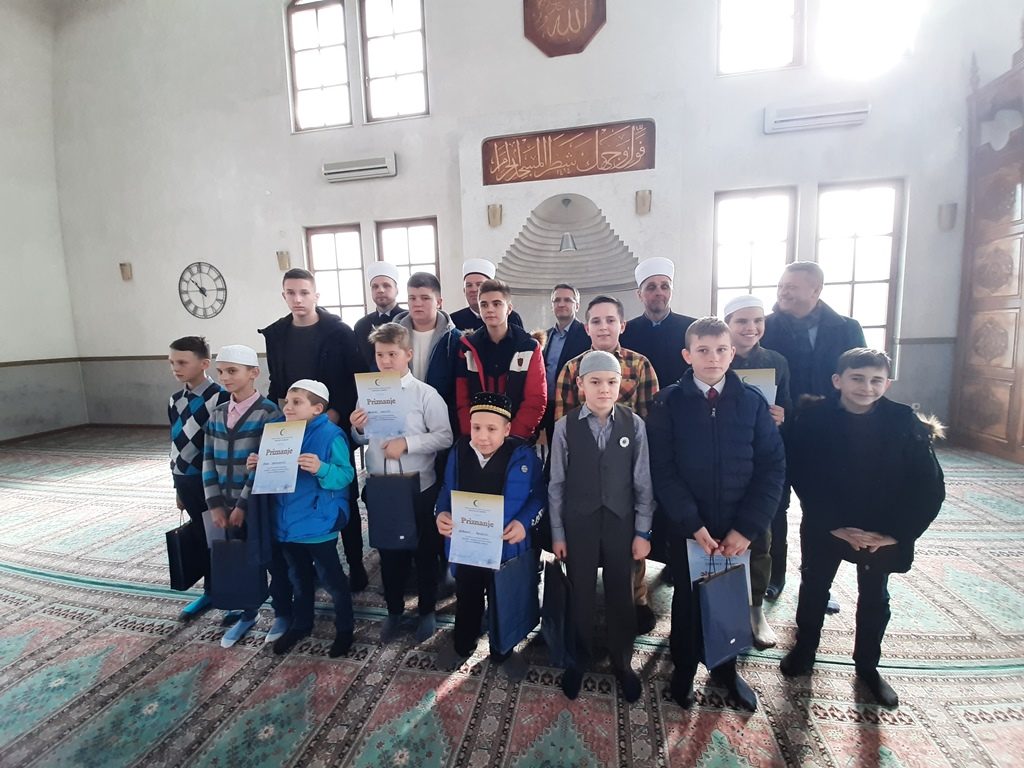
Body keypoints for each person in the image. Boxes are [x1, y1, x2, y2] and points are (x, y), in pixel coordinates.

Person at [780, 349, 945, 708]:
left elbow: (929, 485)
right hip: (827, 524)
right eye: (857, 378)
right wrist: (832, 525)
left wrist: (895, 534)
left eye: (875, 380)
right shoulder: (813, 419)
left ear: (887, 384)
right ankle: (805, 649)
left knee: (874, 596)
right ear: (838, 380)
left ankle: (867, 666)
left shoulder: (903, 421)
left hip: (880, 531)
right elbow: (801, 474)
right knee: (814, 586)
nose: (866, 387)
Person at [647, 318, 785, 712]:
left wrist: (747, 528)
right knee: (687, 602)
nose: (713, 358)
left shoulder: (752, 402)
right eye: (703, 350)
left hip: (738, 527)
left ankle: (725, 669)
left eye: (721, 349)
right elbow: (662, 469)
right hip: (689, 528)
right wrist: (692, 523)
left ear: (732, 353)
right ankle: (683, 670)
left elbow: (772, 468)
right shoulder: (668, 403)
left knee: (730, 600)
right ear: (687, 355)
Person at [549, 351, 655, 703]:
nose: (604, 389)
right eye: (595, 382)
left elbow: (643, 483)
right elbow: (556, 484)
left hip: (621, 523)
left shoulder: (633, 425)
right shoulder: (565, 427)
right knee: (580, 593)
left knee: (621, 592)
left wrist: (642, 531)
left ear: (621, 384)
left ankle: (622, 661)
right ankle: (578, 658)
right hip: (579, 523)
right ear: (581, 384)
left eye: (611, 382)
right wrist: (558, 533)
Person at [552, 295, 660, 633]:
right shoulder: (572, 369)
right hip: (584, 476)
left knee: (628, 552)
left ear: (621, 325)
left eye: (610, 320)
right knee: (582, 557)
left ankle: (636, 599)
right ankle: (579, 614)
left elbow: (651, 420)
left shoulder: (640, 365)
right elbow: (564, 425)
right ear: (586, 327)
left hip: (626, 464)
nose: (603, 327)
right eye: (596, 321)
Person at [259, 268, 369, 592]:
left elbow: (355, 378)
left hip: (330, 424)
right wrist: (274, 420)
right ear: (284, 296)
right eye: (291, 293)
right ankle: (306, 566)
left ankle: (355, 563)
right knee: (295, 492)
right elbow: (277, 383)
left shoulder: (339, 332)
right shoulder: (277, 334)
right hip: (291, 424)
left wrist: (338, 412)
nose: (298, 299)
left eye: (304, 292)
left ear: (316, 295)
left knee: (341, 491)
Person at [761, 261, 866, 603]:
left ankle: (818, 582)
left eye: (792, 286)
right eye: (781, 285)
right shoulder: (767, 326)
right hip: (779, 431)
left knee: (820, 507)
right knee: (775, 506)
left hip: (826, 434)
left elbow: (860, 376)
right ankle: (774, 574)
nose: (783, 292)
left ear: (816, 290)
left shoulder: (847, 328)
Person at [350, 323, 453, 643]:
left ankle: (426, 611)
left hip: (419, 488)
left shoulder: (426, 394)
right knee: (389, 554)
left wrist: (407, 444)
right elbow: (363, 439)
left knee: (425, 555)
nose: (385, 361)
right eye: (380, 355)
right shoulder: (368, 393)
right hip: (382, 488)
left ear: (408, 354)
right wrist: (357, 428)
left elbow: (445, 436)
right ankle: (394, 611)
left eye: (392, 354)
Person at [435, 392, 545, 680]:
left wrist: (523, 523)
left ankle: (502, 649)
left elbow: (539, 496)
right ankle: (462, 643)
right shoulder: (459, 452)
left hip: (505, 547)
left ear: (507, 430)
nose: (482, 436)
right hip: (467, 546)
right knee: (467, 596)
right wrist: (441, 513)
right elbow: (446, 490)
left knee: (504, 600)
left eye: (491, 429)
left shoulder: (523, 457)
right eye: (476, 428)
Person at [247, 380, 356, 658]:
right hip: (286, 523)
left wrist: (322, 468)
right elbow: (272, 475)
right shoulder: (278, 432)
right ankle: (302, 624)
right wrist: (257, 466)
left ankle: (345, 629)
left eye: (297, 402)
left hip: (318, 523)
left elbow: (345, 475)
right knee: (298, 578)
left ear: (317, 409)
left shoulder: (331, 436)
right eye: (287, 402)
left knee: (333, 580)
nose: (288, 407)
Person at [202, 345, 291, 648]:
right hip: (225, 504)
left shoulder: (270, 414)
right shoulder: (216, 414)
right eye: (220, 372)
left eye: (232, 371)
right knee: (240, 559)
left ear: (254, 373)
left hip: (258, 505)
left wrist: (243, 505)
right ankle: (247, 611)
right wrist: (215, 504)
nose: (225, 377)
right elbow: (208, 460)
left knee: (271, 558)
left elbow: (265, 463)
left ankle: (282, 612)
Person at [723, 294, 792, 649]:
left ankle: (755, 608)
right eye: (742, 321)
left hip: (759, 457)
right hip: (722, 460)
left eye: (757, 321)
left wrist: (782, 415)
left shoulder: (776, 361)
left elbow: (788, 406)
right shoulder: (717, 357)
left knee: (759, 538)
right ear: (728, 325)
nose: (750, 328)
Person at [167, 336, 229, 621]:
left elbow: (221, 445)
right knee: (200, 537)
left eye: (182, 362)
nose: (175, 368)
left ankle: (231, 592)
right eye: (172, 362)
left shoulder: (220, 397)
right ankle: (210, 591)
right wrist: (176, 485)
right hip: (185, 480)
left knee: (220, 538)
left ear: (204, 364)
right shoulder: (175, 400)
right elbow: (175, 442)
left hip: (209, 481)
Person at [453, 279, 546, 441]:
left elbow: (535, 399)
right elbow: (462, 399)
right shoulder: (468, 348)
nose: (490, 309)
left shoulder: (529, 347)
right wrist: (474, 433)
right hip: (478, 439)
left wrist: (513, 435)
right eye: (484, 305)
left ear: (509, 308)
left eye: (497, 304)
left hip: (516, 438)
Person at [620, 257, 696, 388]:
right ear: (639, 294)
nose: (659, 292)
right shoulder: (626, 332)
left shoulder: (692, 328)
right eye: (651, 287)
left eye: (665, 287)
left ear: (671, 292)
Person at [394, 271, 462, 397]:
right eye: (412, 298)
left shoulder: (454, 339)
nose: (417, 303)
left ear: (439, 302)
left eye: (425, 298)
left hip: (441, 406)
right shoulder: (392, 337)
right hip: (401, 406)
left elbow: (459, 386)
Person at [540, 284, 591, 442]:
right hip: (547, 406)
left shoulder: (587, 334)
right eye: (557, 300)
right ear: (552, 306)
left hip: (574, 405)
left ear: (577, 305)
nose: (561, 304)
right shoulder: (545, 336)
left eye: (567, 300)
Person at [353, 261, 404, 369]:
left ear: (396, 290)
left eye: (386, 285)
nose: (380, 290)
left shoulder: (407, 320)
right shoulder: (361, 325)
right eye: (375, 287)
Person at [449, 259, 524, 332]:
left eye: (479, 284)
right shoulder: (453, 320)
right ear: (464, 290)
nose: (474, 289)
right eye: (469, 285)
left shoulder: (512, 317)